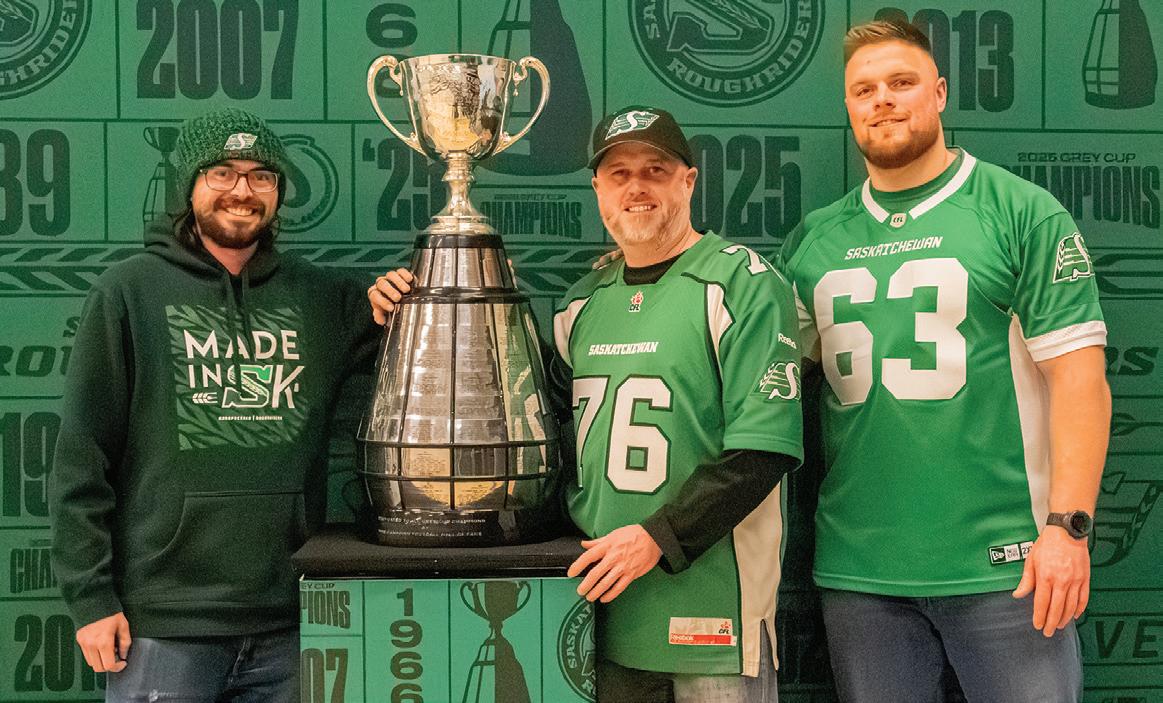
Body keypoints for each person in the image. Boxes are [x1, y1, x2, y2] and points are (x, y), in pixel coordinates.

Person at [371, 106, 804, 702]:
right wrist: (423, 306)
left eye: (655, 170)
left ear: (688, 182)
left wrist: (657, 537)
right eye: (619, 173)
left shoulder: (743, 284)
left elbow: (762, 452)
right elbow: (539, 432)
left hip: (712, 617)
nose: (637, 187)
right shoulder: (582, 302)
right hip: (595, 609)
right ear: (598, 189)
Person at [777, 21, 1110, 702]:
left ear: (939, 93)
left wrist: (1067, 528)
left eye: (901, 83)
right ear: (848, 107)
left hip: (1009, 569)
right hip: (862, 573)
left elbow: (1080, 379)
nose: (882, 100)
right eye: (864, 89)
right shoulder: (814, 239)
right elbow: (760, 370)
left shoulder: (1019, 212)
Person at [50, 107, 384, 701]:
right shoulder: (128, 292)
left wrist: (414, 294)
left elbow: (426, 350)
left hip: (292, 619)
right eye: (223, 173)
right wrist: (91, 598)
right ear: (190, 185)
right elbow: (82, 458)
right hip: (163, 627)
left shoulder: (322, 298)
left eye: (261, 176)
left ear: (277, 193)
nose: (243, 191)